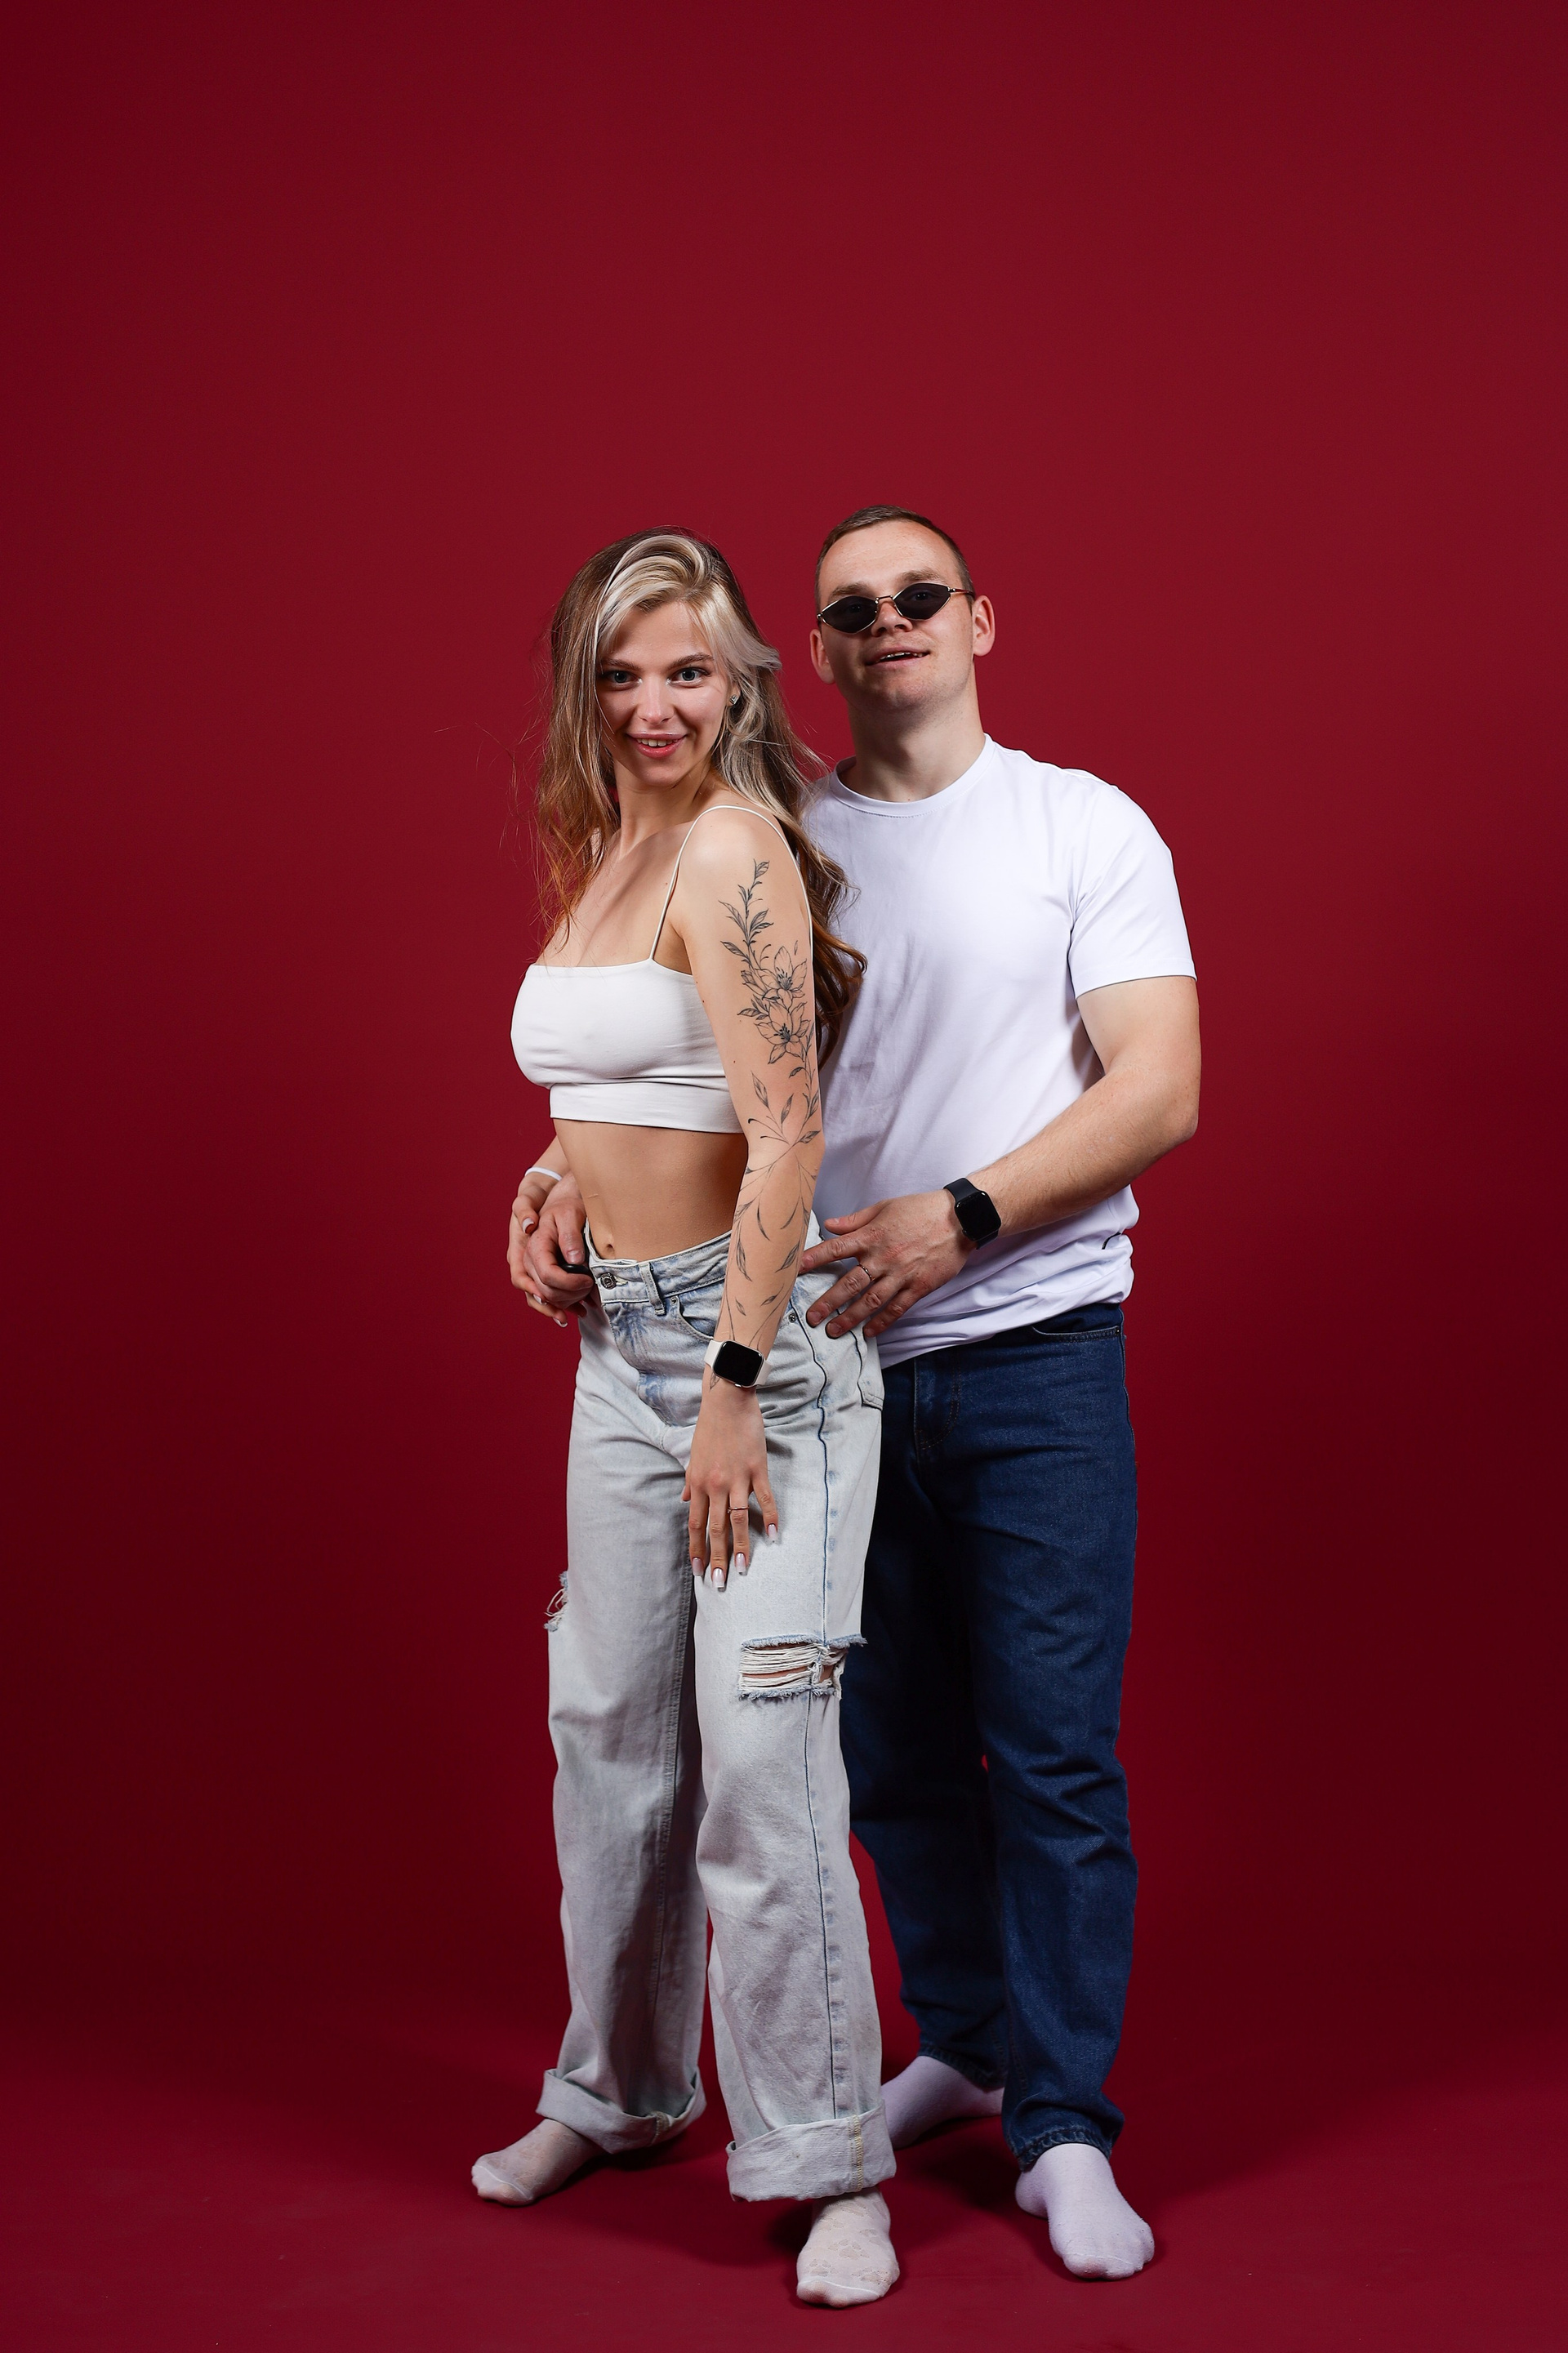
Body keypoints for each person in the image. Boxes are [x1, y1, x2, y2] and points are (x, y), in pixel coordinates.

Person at [484, 530, 898, 2309]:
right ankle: (620, 2089)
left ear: (737, 681)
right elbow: (633, 1077)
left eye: (690, 671)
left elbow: (786, 1132)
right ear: (584, 685)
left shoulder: (734, 845)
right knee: (608, 1742)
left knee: (759, 1759)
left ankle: (828, 2164)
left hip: (760, 1360)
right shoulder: (609, 846)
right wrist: (549, 1182)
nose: (655, 705)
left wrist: (733, 1382)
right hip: (619, 1353)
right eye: (622, 672)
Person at [798, 506, 1201, 2281]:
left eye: (918, 593)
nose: (887, 621)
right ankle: (962, 2040)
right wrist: (565, 1168)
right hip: (832, 1371)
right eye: (851, 607)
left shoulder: (1081, 822)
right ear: (823, 649)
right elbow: (686, 1073)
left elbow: (1161, 1084)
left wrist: (957, 1218)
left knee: (1050, 1755)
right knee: (887, 1753)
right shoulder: (778, 838)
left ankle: (1064, 2126)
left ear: (978, 619)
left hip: (1039, 1348)